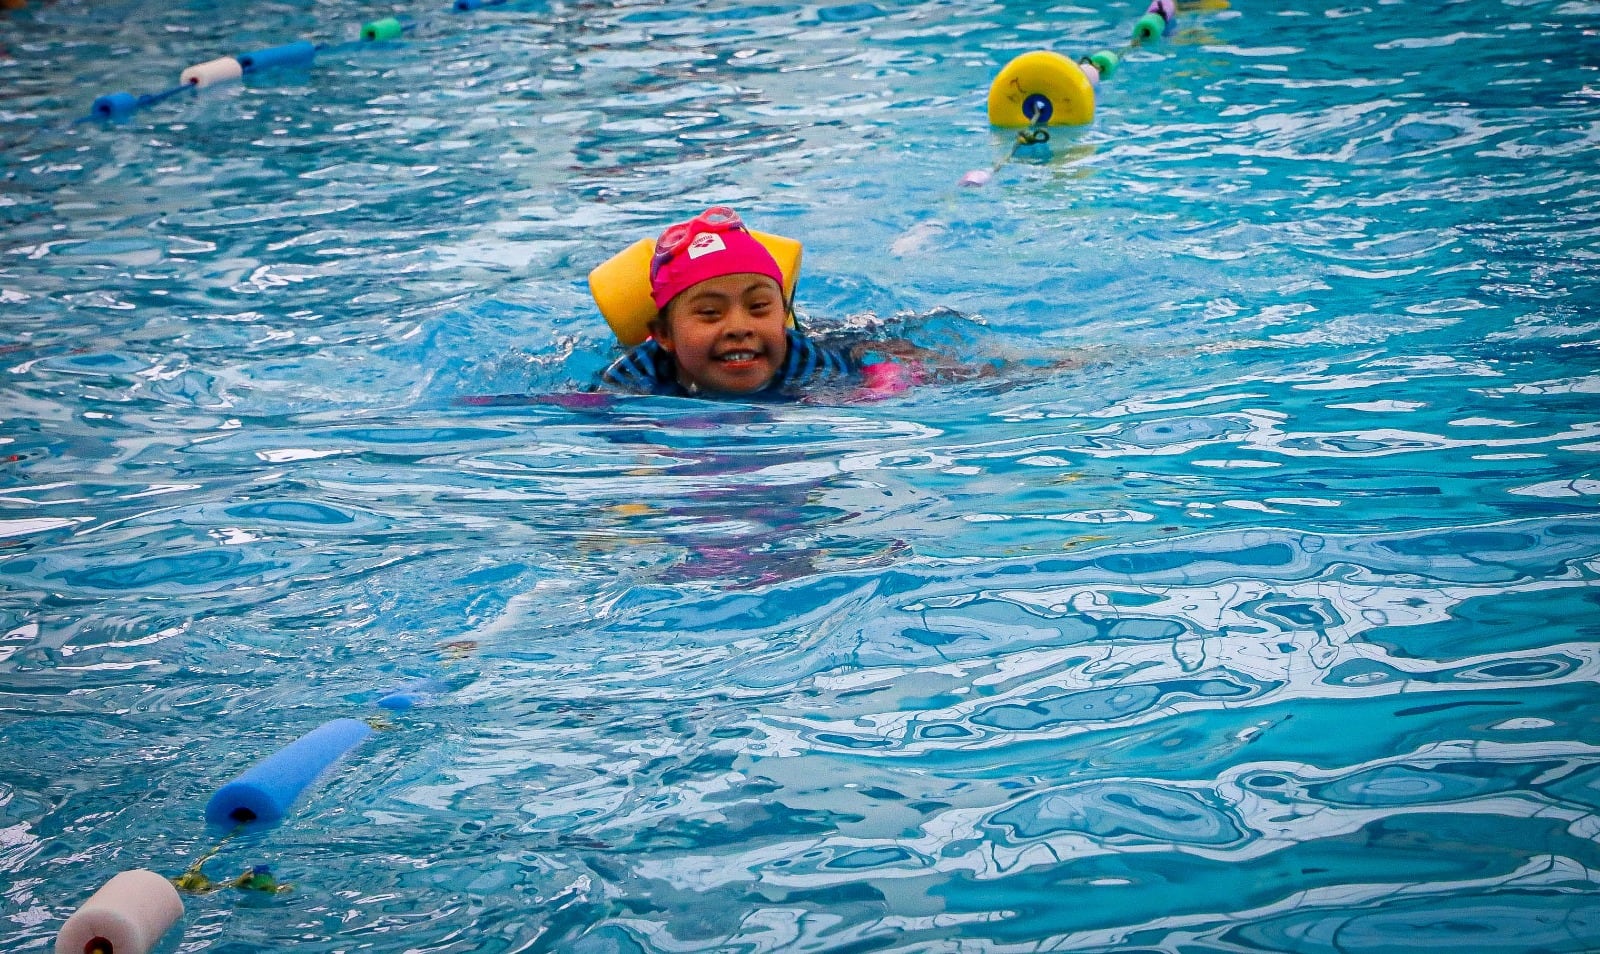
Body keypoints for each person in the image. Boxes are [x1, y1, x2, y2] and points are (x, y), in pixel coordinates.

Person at [598, 207, 913, 399]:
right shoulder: (638, 375)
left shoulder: (806, 361)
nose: (739, 327)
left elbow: (871, 379)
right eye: (710, 313)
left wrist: (881, 382)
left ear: (783, 316)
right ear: (664, 335)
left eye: (760, 306)